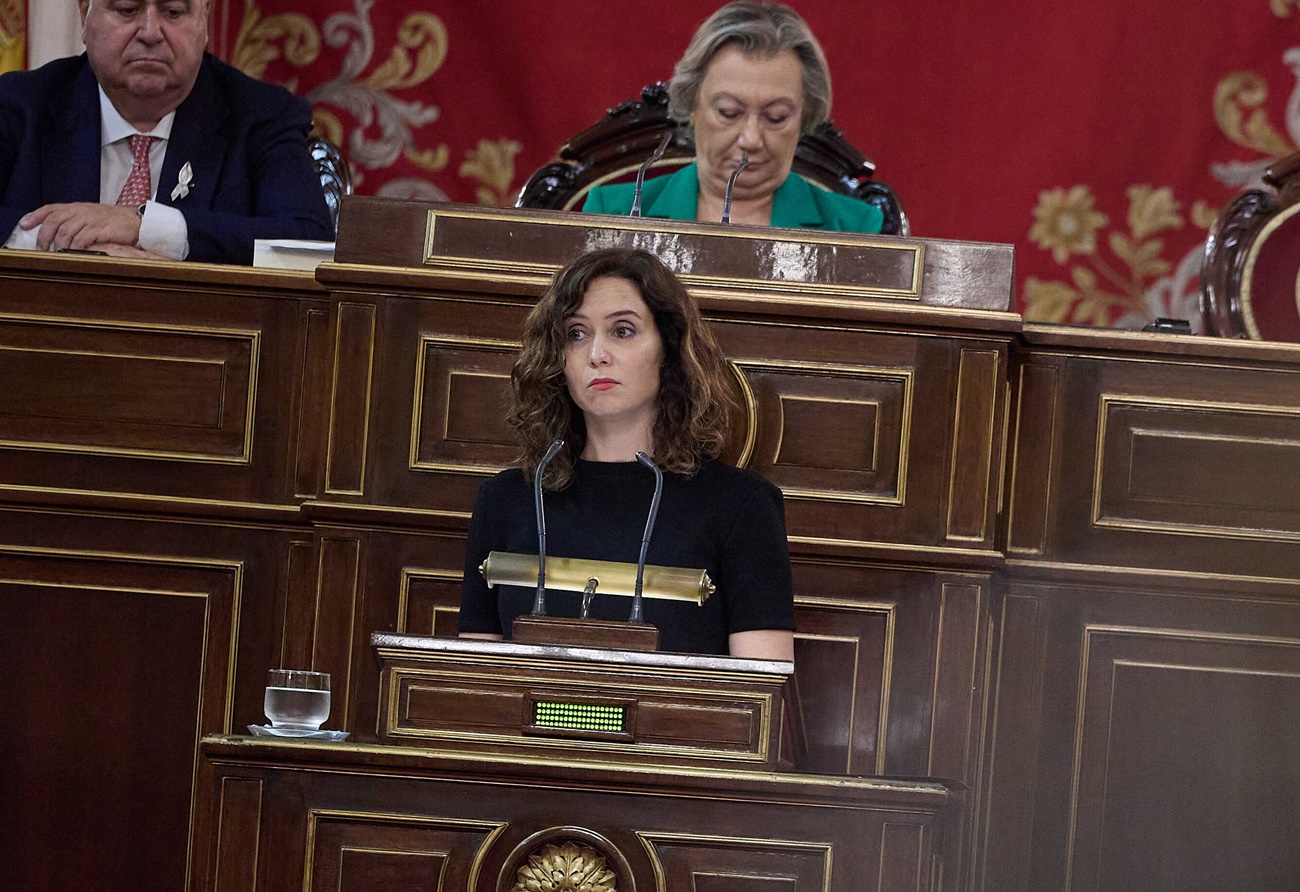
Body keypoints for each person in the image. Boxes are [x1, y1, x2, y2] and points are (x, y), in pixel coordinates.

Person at [458, 247, 795, 660]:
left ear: (669, 350)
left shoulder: (741, 505)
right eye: (575, 334)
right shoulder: (505, 501)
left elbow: (757, 697)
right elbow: (473, 687)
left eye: (622, 331)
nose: (596, 354)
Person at [0, 0, 334, 265]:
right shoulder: (19, 104)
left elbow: (305, 245)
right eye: (127, 10)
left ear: (204, 18)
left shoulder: (262, 115)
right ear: (85, 13)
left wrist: (144, 228)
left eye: (173, 11)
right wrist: (76, 245)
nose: (150, 32)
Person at [583, 1, 882, 233]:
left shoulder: (854, 226)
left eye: (776, 117)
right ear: (692, 106)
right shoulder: (613, 211)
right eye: (729, 112)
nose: (751, 138)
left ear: (804, 118)